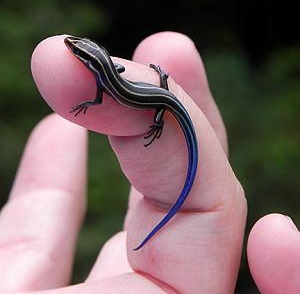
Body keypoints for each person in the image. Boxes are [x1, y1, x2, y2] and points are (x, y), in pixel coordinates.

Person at [0, 32, 298, 293]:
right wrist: (160, 79)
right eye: (79, 51)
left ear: (92, 62)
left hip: (161, 103)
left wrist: (149, 119)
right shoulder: (107, 74)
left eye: (80, 52)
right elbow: (115, 74)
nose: (74, 51)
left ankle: (159, 116)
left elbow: (100, 99)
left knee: (173, 121)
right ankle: (160, 101)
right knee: (167, 100)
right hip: (161, 96)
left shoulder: (104, 80)